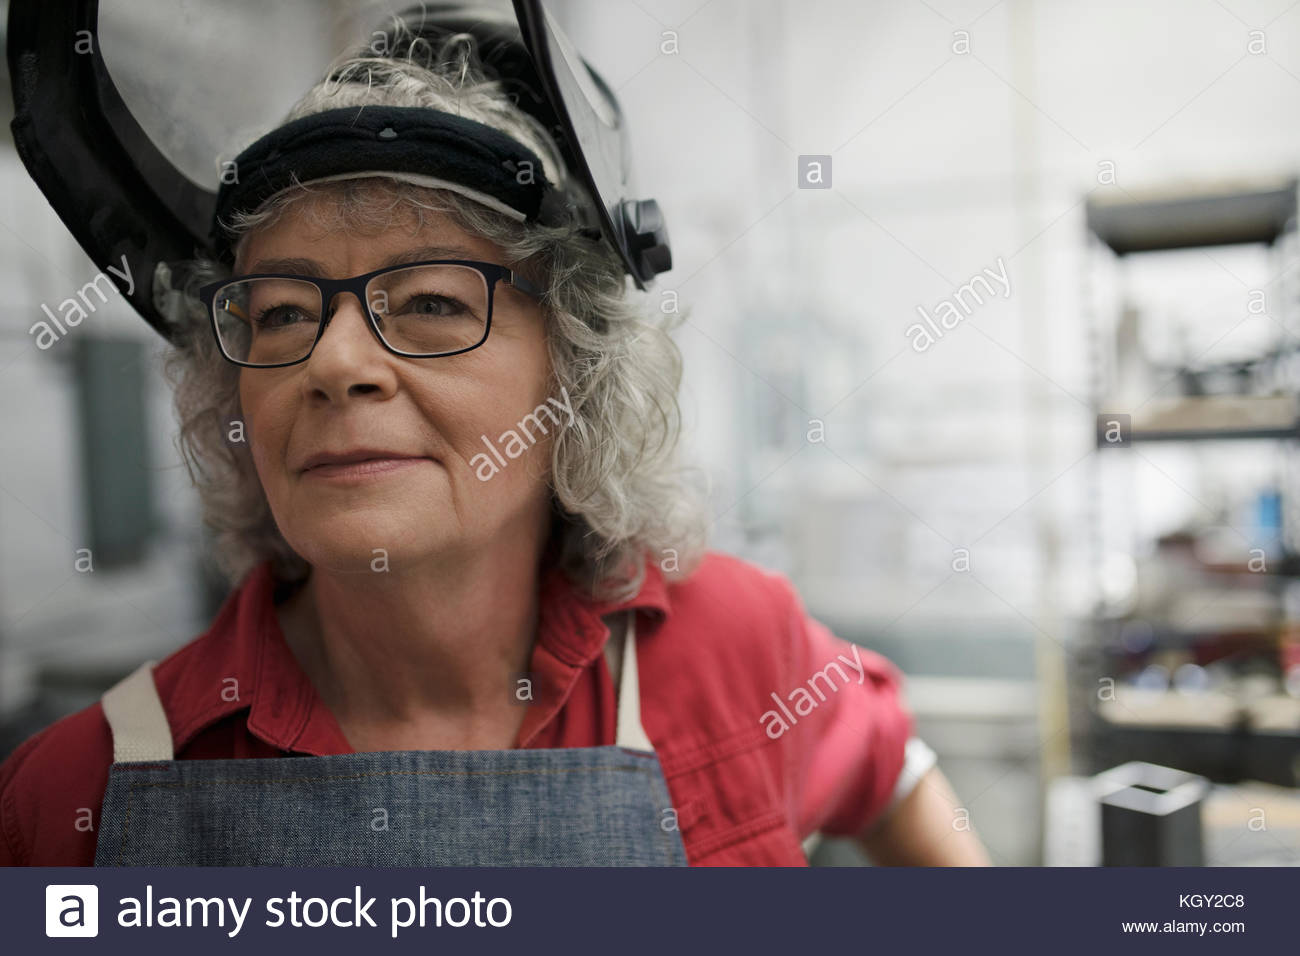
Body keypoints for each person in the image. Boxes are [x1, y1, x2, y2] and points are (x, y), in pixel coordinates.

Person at [0, 27, 989, 867]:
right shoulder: (79, 793)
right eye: (283, 311)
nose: (334, 362)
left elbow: (894, 768)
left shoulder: (737, 647)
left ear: (574, 370)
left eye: (430, 301)